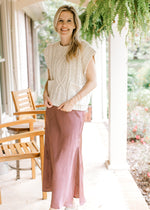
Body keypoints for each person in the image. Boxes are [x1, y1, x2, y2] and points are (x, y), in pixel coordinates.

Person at [43, 5, 97, 210]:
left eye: (68, 21)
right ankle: (70, 202)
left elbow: (92, 82)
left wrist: (73, 101)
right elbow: (50, 79)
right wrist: (45, 93)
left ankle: (56, 205)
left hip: (73, 112)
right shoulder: (50, 50)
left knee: (63, 159)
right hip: (53, 111)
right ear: (56, 24)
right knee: (59, 157)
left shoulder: (84, 49)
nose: (64, 25)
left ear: (75, 25)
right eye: (60, 20)